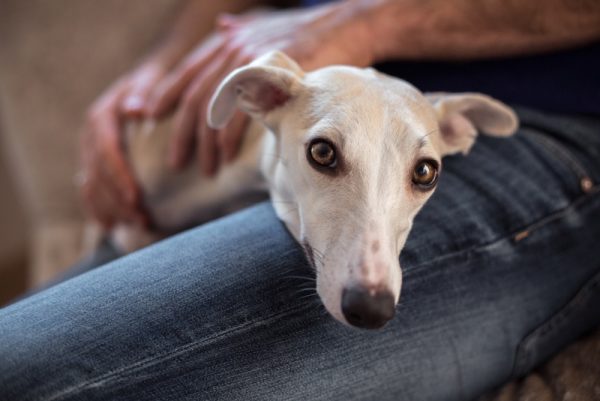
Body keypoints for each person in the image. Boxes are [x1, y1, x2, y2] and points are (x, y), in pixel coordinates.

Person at [1, 0, 599, 400]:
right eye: (326, 157)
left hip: (555, 131)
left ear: (454, 141)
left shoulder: (452, 131)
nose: (373, 279)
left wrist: (367, 20)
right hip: (317, 85)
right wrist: (157, 75)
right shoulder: (275, 107)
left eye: (424, 175)